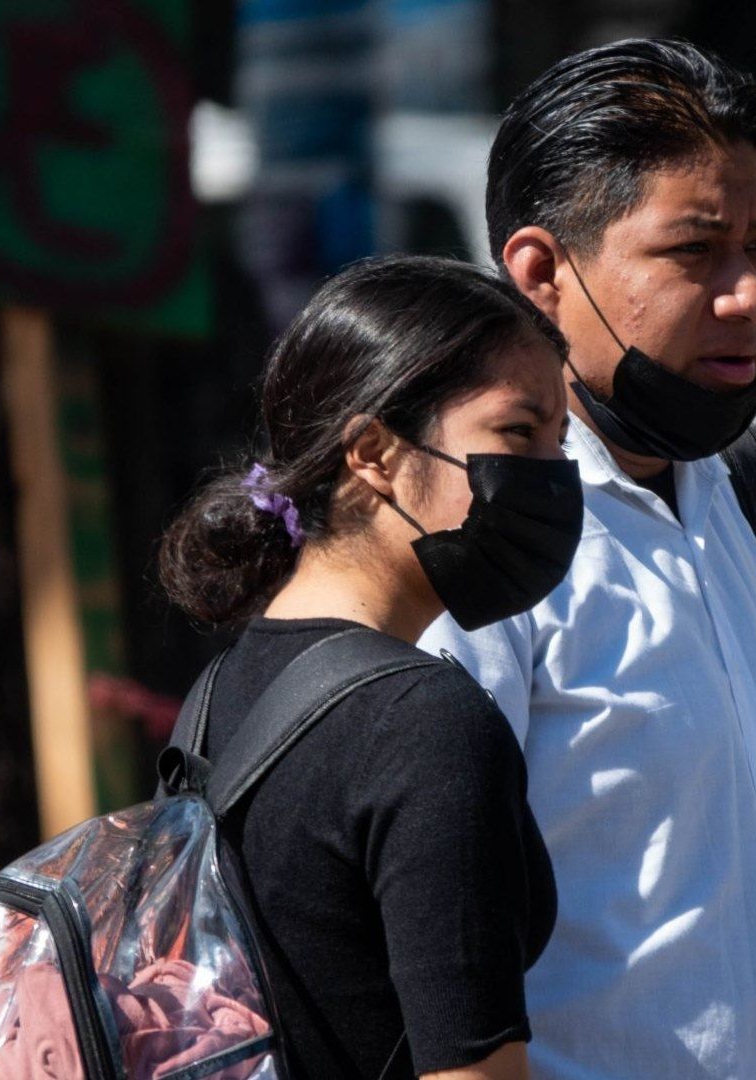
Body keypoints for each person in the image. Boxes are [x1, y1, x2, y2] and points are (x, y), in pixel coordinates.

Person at [418, 38, 756, 1080]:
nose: (750, 297)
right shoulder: (475, 539)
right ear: (541, 273)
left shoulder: (733, 485)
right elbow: (438, 965)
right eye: (694, 252)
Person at [160, 255, 580, 1080]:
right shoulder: (429, 723)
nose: (556, 479)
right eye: (518, 434)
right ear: (373, 454)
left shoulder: (219, 697)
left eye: (561, 441)